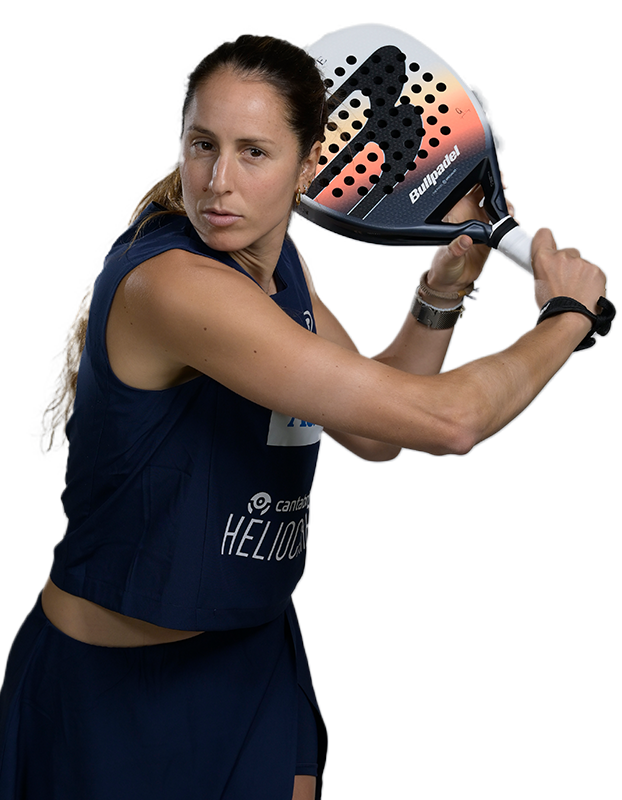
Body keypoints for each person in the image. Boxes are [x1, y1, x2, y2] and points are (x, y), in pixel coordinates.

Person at [0, 32, 610, 800]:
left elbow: (374, 429)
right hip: (111, 697)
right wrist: (566, 317)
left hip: (252, 664)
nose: (217, 181)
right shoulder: (175, 287)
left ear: (310, 166)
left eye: (254, 152)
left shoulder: (280, 266)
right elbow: (449, 421)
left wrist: (445, 286)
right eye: (202, 144)